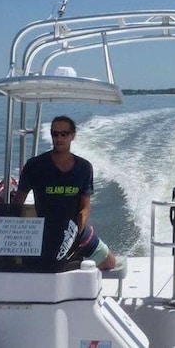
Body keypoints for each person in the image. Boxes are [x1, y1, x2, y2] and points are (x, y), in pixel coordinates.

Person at [14, 115, 117, 270]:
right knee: (48, 270)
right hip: (45, 231)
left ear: (72, 136)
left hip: (74, 229)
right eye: (55, 134)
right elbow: (18, 202)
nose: (59, 138)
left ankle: (77, 264)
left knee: (110, 262)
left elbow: (85, 206)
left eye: (64, 134)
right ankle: (73, 265)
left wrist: (77, 231)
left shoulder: (84, 167)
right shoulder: (35, 166)